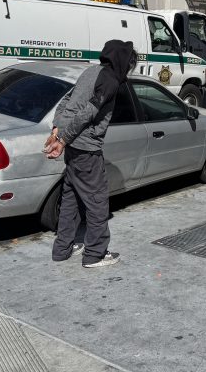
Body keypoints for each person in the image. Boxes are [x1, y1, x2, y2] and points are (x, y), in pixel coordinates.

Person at [44, 39, 137, 267]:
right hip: (85, 147)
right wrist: (62, 139)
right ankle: (95, 254)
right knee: (97, 202)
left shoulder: (91, 71)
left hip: (74, 145)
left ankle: (62, 248)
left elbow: (67, 100)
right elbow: (88, 112)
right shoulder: (111, 80)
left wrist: (58, 128)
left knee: (71, 197)